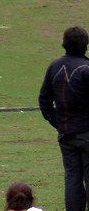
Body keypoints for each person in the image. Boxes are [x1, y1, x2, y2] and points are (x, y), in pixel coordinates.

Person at [39, 25, 89, 211]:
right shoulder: (86, 68)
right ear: (85, 45)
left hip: (66, 133)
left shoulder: (54, 66)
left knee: (72, 178)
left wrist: (57, 122)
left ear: (64, 44)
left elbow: (44, 101)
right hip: (86, 131)